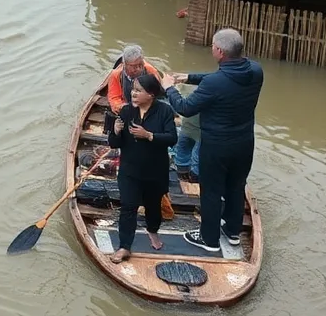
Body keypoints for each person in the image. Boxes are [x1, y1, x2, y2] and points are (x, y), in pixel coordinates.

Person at [162, 28, 263, 253]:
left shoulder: (214, 84)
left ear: (219, 51)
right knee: (236, 187)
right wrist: (188, 76)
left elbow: (185, 108)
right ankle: (233, 232)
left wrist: (169, 87)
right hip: (244, 143)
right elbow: (221, 77)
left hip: (217, 146)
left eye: (212, 47)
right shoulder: (256, 71)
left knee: (211, 190)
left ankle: (209, 239)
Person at [107, 72, 178, 264]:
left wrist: (149, 135)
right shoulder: (126, 112)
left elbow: (172, 138)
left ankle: (152, 231)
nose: (133, 93)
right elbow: (114, 144)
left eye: (139, 91)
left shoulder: (164, 111)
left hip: (155, 171)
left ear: (151, 94)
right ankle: (124, 246)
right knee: (128, 207)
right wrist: (116, 132)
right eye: (133, 90)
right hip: (130, 171)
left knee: (153, 206)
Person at [173, 107, 201, 183]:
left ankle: (188, 179)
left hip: (189, 127)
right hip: (194, 128)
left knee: (185, 155)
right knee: (197, 158)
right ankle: (192, 180)